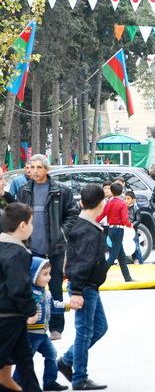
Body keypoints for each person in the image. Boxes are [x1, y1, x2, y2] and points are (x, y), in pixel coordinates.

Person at [16, 154, 79, 341]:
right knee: (31, 288)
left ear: (47, 169)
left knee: (56, 287)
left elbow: (72, 214)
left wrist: (61, 231)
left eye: (38, 167)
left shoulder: (60, 191)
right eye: (31, 167)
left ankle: (56, 327)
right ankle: (33, 324)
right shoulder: (24, 191)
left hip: (54, 248)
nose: (34, 171)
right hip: (31, 248)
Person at [58, 184, 111, 390]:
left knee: (99, 327)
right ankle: (79, 378)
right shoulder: (86, 229)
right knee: (84, 332)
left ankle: (66, 361)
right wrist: (77, 291)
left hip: (90, 287)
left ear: (81, 203)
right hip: (84, 287)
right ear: (101, 203)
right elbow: (80, 263)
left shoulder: (88, 226)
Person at [0, 203, 41, 392]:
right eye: (31, 222)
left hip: (10, 315)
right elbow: (18, 287)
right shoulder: (17, 252)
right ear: (23, 226)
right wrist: (31, 309)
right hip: (9, 315)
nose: (33, 227)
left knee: (25, 360)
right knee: (19, 361)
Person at [23, 258, 69, 391]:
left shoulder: (46, 293)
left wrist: (68, 306)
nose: (49, 277)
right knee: (25, 361)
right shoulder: (28, 294)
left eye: (49, 273)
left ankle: (49, 382)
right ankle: (17, 383)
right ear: (33, 275)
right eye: (45, 274)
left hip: (42, 334)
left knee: (51, 354)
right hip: (31, 334)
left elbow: (53, 306)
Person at [95, 183, 133, 283]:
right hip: (119, 230)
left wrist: (93, 221)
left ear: (111, 192)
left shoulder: (109, 203)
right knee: (113, 256)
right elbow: (125, 219)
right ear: (122, 192)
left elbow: (101, 216)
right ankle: (99, 274)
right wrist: (130, 225)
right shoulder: (122, 204)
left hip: (111, 229)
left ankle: (127, 277)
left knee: (121, 255)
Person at [123, 192, 143, 264]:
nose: (126, 200)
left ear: (133, 199)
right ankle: (122, 260)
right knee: (124, 245)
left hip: (132, 230)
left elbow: (138, 220)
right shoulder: (123, 207)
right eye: (125, 198)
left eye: (128, 199)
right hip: (125, 229)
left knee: (135, 245)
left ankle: (137, 259)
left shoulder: (136, 208)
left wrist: (132, 224)